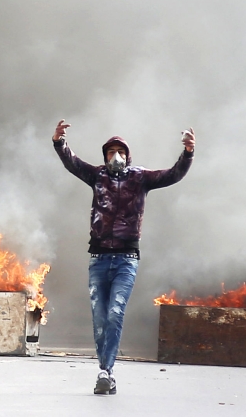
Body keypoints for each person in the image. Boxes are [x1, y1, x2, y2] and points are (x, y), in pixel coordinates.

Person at [52, 120, 194, 395]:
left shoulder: (140, 178)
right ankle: (107, 371)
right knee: (100, 317)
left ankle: (106, 371)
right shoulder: (97, 176)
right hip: (98, 258)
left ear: (128, 156)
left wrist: (188, 152)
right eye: (110, 152)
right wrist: (59, 141)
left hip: (127, 259)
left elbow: (173, 174)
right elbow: (72, 163)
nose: (115, 156)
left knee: (115, 314)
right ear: (104, 156)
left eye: (120, 151)